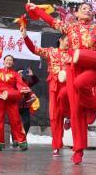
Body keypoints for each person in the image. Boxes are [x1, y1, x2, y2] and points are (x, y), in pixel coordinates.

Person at [26, 2, 96, 165]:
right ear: (77, 13)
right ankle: (78, 150)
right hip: (74, 68)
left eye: (89, 9)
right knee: (73, 108)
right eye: (83, 9)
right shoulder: (70, 28)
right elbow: (51, 21)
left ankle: (92, 105)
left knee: (81, 84)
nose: (87, 11)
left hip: (92, 67)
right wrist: (35, 9)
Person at [21, 28, 71, 156]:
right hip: (55, 85)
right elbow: (34, 49)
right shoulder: (51, 52)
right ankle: (56, 146)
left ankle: (68, 116)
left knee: (68, 104)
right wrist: (25, 36)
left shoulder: (73, 53)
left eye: (70, 41)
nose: (69, 43)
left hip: (69, 85)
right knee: (54, 116)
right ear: (60, 40)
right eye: (67, 40)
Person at [0, 55, 30, 151]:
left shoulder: (15, 74)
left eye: (11, 60)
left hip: (11, 98)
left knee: (15, 120)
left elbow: (20, 83)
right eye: (7, 60)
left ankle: (22, 141)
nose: (9, 61)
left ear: (13, 63)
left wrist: (23, 89)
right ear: (3, 61)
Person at [18, 67, 39, 137]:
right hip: (16, 106)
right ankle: (15, 140)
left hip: (25, 106)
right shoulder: (13, 81)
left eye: (22, 73)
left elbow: (36, 81)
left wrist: (32, 75)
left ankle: (23, 138)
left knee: (27, 123)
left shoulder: (26, 81)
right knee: (15, 124)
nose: (21, 74)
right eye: (19, 73)